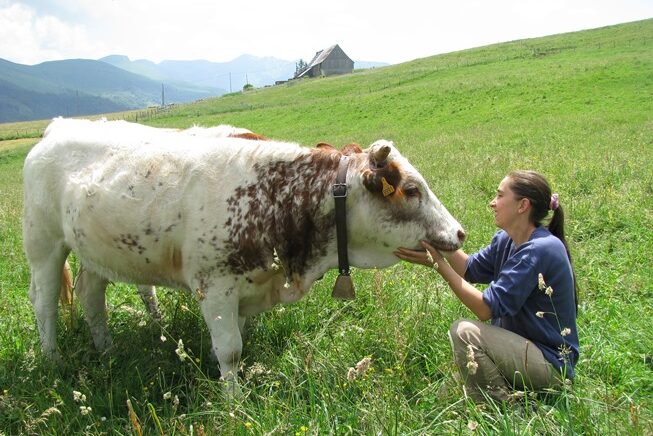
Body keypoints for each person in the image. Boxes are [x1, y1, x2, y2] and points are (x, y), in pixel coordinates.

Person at [395, 170, 578, 403]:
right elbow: (468, 268)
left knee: (465, 334)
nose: (493, 203)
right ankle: (511, 397)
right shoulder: (507, 240)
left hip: (551, 364)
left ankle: (506, 409)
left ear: (523, 205)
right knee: (447, 395)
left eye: (500, 196)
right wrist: (435, 233)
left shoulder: (540, 249)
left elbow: (485, 309)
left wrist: (438, 264)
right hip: (521, 351)